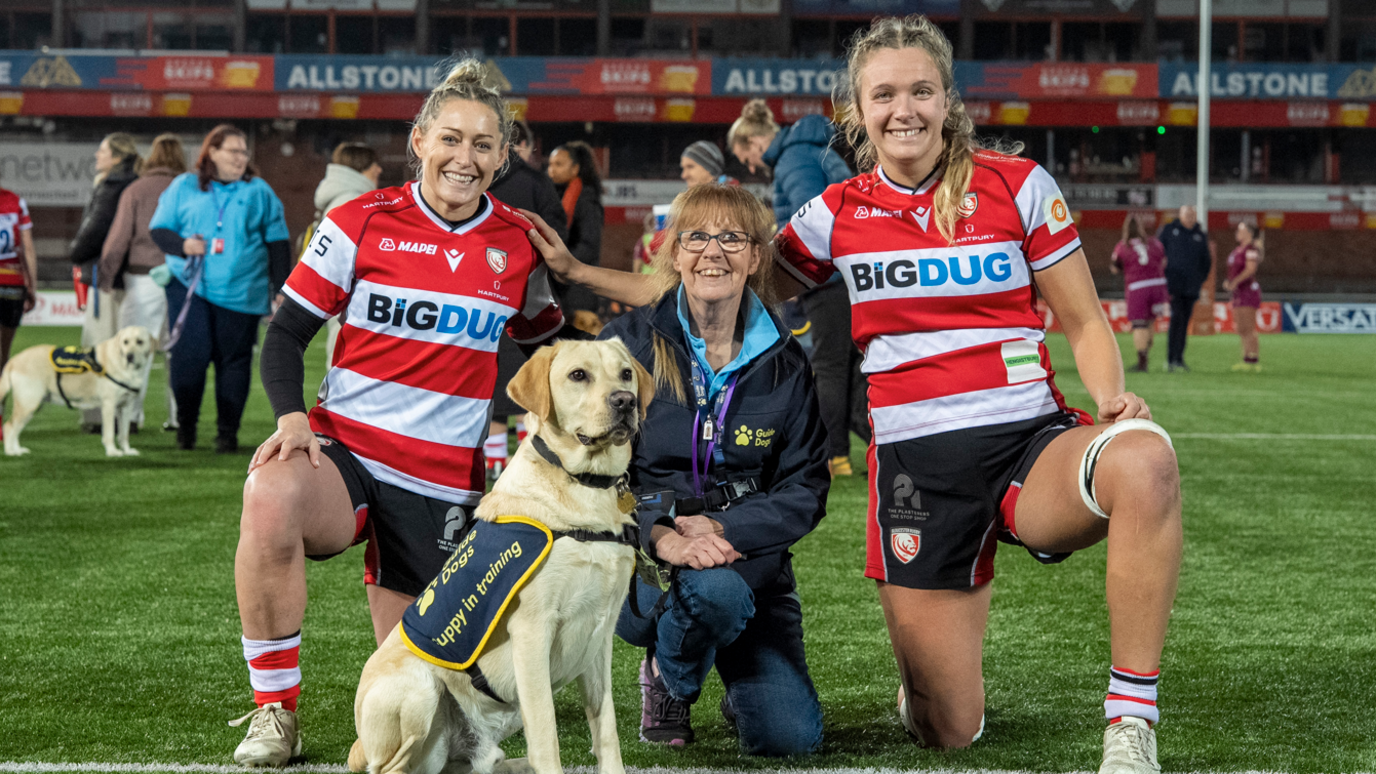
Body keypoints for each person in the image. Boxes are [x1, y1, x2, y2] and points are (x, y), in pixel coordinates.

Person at [524, 15, 1183, 773]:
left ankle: (1130, 723)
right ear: (859, 112)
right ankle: (925, 690)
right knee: (947, 730)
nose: (904, 109)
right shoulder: (835, 214)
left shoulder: (1019, 186)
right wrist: (579, 272)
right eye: (885, 94)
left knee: (1144, 460)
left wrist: (1110, 400)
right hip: (915, 471)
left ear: (947, 101)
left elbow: (1084, 319)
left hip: (1028, 442)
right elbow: (710, 283)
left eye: (921, 91)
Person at [229, 59, 589, 766]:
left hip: (446, 484)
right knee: (270, 494)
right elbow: (286, 335)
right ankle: (276, 714)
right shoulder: (360, 220)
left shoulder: (519, 242)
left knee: (422, 712)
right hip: (348, 455)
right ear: (419, 139)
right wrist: (292, 419)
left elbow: (548, 350)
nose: (466, 158)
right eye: (451, 139)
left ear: (504, 154)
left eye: (484, 145)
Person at [598, 184, 828, 755]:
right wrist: (656, 532)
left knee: (788, 740)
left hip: (746, 563)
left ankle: (714, 666)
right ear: (674, 253)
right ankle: (669, 677)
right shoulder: (625, 345)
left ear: (755, 258)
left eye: (732, 238)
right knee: (711, 593)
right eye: (697, 236)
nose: (713, 252)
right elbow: (593, 470)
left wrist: (726, 529)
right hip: (645, 563)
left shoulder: (786, 360)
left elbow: (807, 488)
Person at [729, 98, 866, 477]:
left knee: (830, 368)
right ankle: (864, 446)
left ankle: (834, 456)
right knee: (850, 366)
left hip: (830, 277)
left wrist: (787, 264)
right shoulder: (808, 152)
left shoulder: (793, 160)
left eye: (747, 158)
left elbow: (812, 221)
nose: (751, 166)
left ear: (756, 142)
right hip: (847, 275)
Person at [149, 124, 291, 454]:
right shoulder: (183, 186)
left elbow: (278, 242)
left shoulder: (259, 191)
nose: (241, 158)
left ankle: (227, 434)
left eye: (244, 152)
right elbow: (158, 230)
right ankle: (186, 427)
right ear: (212, 152)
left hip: (242, 292)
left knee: (234, 364)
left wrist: (280, 289)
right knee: (189, 359)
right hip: (189, 287)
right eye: (233, 151)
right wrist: (183, 244)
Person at [485, 122, 569, 480]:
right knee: (526, 380)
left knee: (490, 383)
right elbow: (555, 236)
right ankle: (527, 460)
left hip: (480, 296)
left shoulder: (477, 178)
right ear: (518, 145)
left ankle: (492, 464)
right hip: (526, 295)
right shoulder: (536, 184)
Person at [97, 133, 186, 431]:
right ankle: (179, 418)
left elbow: (118, 239)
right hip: (182, 278)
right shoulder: (190, 190)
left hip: (141, 279)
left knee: (134, 352)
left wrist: (106, 277)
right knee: (178, 351)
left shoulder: (136, 190)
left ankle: (132, 416)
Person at [70, 132, 142, 431]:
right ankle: (126, 415)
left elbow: (95, 230)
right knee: (123, 349)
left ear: (115, 156)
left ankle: (100, 417)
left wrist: (76, 252)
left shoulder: (111, 186)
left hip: (105, 277)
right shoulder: (131, 183)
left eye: (102, 151)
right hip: (126, 277)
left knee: (100, 346)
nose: (97, 156)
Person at [312, 142, 383, 366]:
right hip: (350, 297)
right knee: (344, 362)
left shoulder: (340, 199)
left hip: (341, 294)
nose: (379, 169)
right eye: (373, 164)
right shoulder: (351, 202)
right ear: (361, 166)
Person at [546, 140, 604, 314]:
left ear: (575, 169)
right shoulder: (557, 195)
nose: (551, 170)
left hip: (579, 292)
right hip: (561, 289)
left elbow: (589, 245)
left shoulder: (585, 199)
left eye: (559, 164)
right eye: (550, 164)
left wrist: (560, 263)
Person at [1109, 215, 1168, 373]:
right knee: (1150, 322)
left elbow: (1115, 267)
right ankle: (1146, 355)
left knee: (1139, 324)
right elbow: (1164, 261)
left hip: (1138, 286)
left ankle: (1142, 363)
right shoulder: (1154, 242)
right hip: (1157, 285)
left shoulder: (1123, 245)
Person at [1158, 205, 1213, 372]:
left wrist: (1198, 279)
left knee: (1184, 322)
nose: (1190, 217)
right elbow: (1158, 254)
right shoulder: (1168, 231)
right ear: (1180, 215)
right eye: (1187, 214)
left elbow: (1206, 262)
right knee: (1176, 320)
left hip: (1191, 288)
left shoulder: (1200, 235)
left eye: (1192, 215)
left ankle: (1179, 358)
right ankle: (1170, 359)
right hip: (1173, 286)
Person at [0, 182, 37, 372]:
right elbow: (28, 249)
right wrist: (31, 287)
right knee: (3, 352)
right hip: (11, 285)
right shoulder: (16, 202)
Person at [1224, 221, 1262, 372]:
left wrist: (1235, 282)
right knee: (1241, 328)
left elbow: (1250, 269)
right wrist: (1230, 282)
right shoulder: (1237, 250)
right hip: (1238, 291)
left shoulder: (1251, 249)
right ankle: (1246, 358)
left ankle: (1253, 359)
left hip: (1247, 291)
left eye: (1241, 229)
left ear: (1249, 233)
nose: (1237, 232)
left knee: (1248, 327)